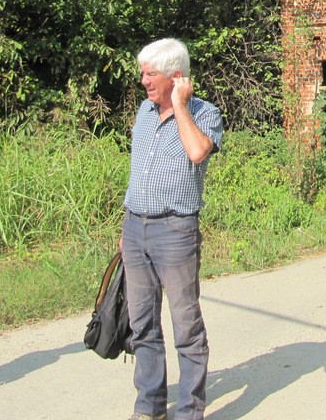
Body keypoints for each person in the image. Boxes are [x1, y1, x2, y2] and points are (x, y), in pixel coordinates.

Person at [122, 38, 223, 420]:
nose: (144, 81)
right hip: (135, 227)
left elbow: (197, 152)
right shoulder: (143, 112)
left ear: (176, 77)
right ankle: (149, 405)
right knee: (142, 323)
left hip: (175, 230)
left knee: (186, 325)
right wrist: (126, 228)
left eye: (151, 74)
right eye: (143, 73)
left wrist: (180, 105)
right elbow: (136, 175)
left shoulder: (205, 112)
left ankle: (190, 410)